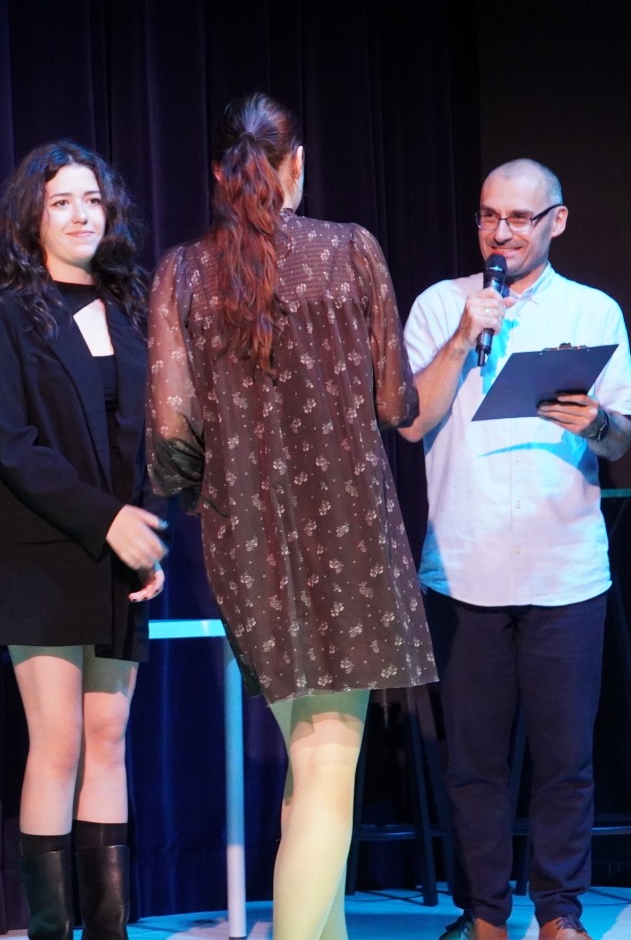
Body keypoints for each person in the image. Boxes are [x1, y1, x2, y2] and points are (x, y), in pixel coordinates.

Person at [149, 93, 437, 940]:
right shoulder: (349, 250)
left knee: (308, 772)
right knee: (326, 766)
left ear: (219, 173)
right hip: (350, 534)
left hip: (246, 540)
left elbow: (170, 433)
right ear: (297, 164)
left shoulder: (182, 273)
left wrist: (211, 491)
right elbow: (396, 401)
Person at [399, 159, 631, 940]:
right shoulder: (441, 305)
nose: (500, 232)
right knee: (474, 761)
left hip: (564, 565)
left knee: (565, 756)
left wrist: (593, 422)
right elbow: (410, 420)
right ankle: (484, 913)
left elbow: (622, 435)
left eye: (518, 217)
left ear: (555, 221)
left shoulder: (593, 310)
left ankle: (560, 912)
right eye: (487, 215)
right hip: (464, 563)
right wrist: (463, 337)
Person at [0, 140, 167, 940]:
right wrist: (107, 519)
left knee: (109, 736)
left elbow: (147, 437)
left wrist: (146, 531)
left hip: (118, 547)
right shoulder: (6, 310)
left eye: (92, 199)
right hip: (42, 547)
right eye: (62, 202)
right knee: (57, 741)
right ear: (33, 217)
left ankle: (109, 931)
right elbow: (14, 443)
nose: (81, 214)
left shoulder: (130, 305)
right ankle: (52, 930)